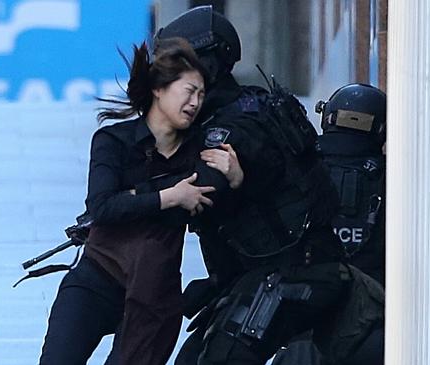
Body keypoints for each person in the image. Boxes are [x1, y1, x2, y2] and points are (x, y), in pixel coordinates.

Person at [149, 6, 368, 365]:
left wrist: (134, 201)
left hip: (294, 272)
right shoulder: (250, 105)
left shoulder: (233, 126)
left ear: (208, 66)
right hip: (274, 270)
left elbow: (200, 189)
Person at [273, 83, 430, 364]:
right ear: (382, 130)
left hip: (302, 327)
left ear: (328, 118)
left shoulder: (292, 174)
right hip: (381, 325)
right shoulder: (402, 178)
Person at [38, 37, 242, 365]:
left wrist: (235, 179)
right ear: (159, 89)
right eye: (189, 90)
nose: (195, 102)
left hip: (154, 298)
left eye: (202, 95)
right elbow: (102, 208)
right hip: (96, 278)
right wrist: (169, 196)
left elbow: (211, 206)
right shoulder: (113, 140)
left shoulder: (199, 151)